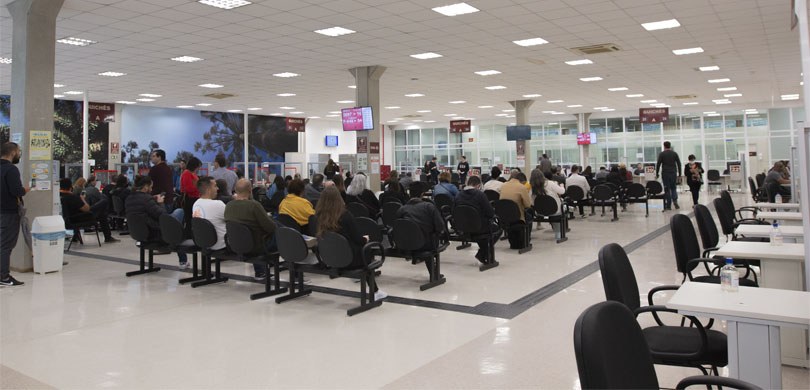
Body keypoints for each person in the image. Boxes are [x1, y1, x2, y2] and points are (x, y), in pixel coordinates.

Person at [315, 186, 386, 300]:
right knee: (366, 250)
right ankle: (375, 291)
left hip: (330, 257)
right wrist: (365, 239)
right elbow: (357, 238)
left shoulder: (319, 217)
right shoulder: (345, 215)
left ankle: (376, 291)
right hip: (350, 258)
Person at [125, 175, 187, 267]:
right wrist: (161, 203)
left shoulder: (129, 199)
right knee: (180, 212)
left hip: (138, 233)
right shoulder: (146, 199)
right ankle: (180, 252)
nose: (151, 189)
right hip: (154, 233)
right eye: (150, 187)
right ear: (145, 187)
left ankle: (182, 258)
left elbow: (142, 209)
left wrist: (152, 200)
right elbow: (164, 216)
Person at [224, 179, 277, 280]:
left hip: (235, 244)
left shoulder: (229, 206)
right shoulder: (254, 205)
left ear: (235, 190)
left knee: (254, 231)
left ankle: (260, 272)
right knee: (278, 229)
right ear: (250, 189)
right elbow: (270, 227)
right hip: (256, 246)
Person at [396, 197, 447, 280]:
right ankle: (434, 274)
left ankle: (434, 273)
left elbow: (397, 225)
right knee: (429, 239)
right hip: (425, 244)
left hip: (406, 244)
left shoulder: (402, 209)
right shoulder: (429, 207)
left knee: (422, 237)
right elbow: (440, 226)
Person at [59, 178, 119, 244]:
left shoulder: (59, 196)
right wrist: (82, 199)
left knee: (102, 212)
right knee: (103, 205)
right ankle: (108, 237)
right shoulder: (73, 197)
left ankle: (76, 236)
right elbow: (87, 209)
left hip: (67, 219)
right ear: (70, 187)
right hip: (79, 219)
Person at [1, 142, 28, 286]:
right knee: (6, 245)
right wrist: (25, 190)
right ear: (12, 153)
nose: (19, 154)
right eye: (18, 151)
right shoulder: (11, 169)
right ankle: (3, 277)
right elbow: (16, 191)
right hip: (9, 212)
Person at [454, 176, 499, 263]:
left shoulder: (458, 195)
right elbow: (490, 213)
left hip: (463, 228)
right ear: (478, 185)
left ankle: (483, 253)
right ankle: (482, 253)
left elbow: (454, 211)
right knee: (497, 229)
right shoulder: (480, 195)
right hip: (479, 227)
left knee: (481, 232)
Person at [655, 141, 682, 211]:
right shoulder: (674, 154)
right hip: (673, 173)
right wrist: (679, 174)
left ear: (664, 146)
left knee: (667, 189)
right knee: (673, 188)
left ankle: (669, 205)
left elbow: (658, 164)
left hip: (665, 173)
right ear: (670, 146)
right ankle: (675, 201)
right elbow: (679, 164)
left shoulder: (662, 154)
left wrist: (657, 173)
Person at [180, 156, 202, 233]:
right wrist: (199, 187)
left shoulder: (192, 174)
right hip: (190, 199)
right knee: (189, 219)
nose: (198, 169)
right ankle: (189, 234)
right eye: (198, 167)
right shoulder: (186, 173)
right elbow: (188, 188)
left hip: (195, 198)